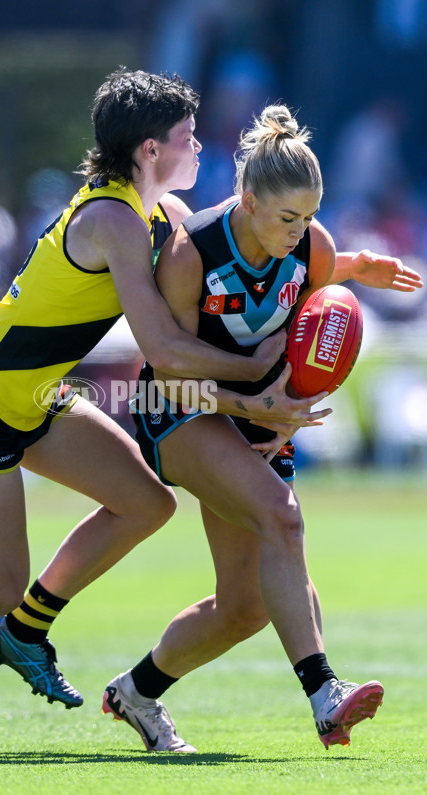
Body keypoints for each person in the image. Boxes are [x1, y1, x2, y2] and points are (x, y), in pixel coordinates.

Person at [0, 70, 334, 756]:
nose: (198, 148)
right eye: (187, 138)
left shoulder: (152, 214)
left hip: (38, 397)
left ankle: (25, 629)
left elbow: (227, 259)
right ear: (147, 150)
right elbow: (163, 347)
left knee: (146, 501)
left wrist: (344, 270)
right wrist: (259, 373)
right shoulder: (112, 219)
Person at [99, 105, 423, 752]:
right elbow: (169, 372)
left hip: (253, 414)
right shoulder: (193, 255)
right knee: (284, 515)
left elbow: (320, 292)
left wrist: (361, 266)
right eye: (287, 218)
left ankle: (135, 692)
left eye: (309, 217)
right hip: (179, 412)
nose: (300, 232)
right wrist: (256, 407)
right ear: (248, 201)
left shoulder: (308, 243)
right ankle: (326, 694)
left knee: (244, 608)